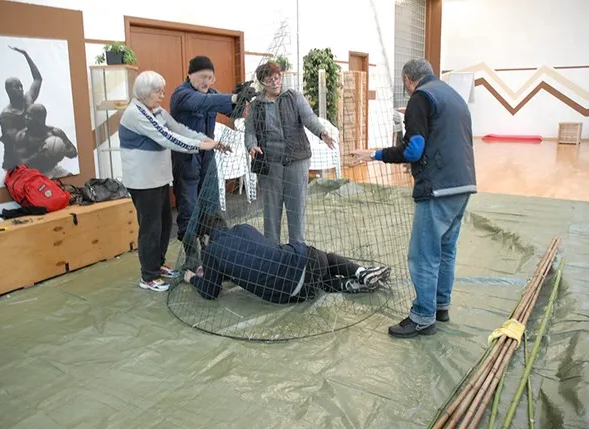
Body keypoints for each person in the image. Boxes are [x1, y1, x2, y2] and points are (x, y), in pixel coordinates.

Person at [351, 58, 476, 339]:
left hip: (438, 187)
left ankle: (422, 317)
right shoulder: (452, 95)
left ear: (408, 80)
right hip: (464, 183)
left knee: (423, 255)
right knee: (446, 249)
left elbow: (413, 150)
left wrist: (374, 154)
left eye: (405, 83)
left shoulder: (421, 98)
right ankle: (440, 306)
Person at [119, 70, 224, 292]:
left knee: (165, 223)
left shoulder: (157, 111)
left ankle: (159, 263)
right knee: (150, 228)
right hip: (143, 182)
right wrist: (200, 146)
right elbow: (167, 137)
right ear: (144, 93)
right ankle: (149, 276)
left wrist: (206, 139)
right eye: (158, 92)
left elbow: (179, 129)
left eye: (162, 91)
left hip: (159, 179)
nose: (162, 96)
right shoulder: (135, 114)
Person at [183, 213, 391, 303]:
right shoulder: (243, 228)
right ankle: (360, 273)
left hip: (292, 293)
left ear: (205, 237)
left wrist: (192, 278)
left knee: (311, 281)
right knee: (325, 260)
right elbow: (253, 257)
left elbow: (210, 292)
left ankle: (348, 284)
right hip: (310, 260)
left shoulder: (211, 251)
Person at [169, 55, 256, 272]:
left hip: (208, 156)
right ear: (190, 75)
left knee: (211, 204)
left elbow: (233, 113)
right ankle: (191, 254)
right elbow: (203, 102)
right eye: (202, 77)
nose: (206, 82)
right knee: (189, 206)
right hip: (186, 157)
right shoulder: (181, 95)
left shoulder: (213, 93)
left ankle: (212, 251)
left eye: (210, 77)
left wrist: (241, 100)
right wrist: (233, 97)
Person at [244, 61, 335, 244]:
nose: (275, 83)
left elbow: (309, 117)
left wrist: (321, 132)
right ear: (262, 83)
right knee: (271, 212)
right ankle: (272, 251)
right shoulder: (256, 105)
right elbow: (250, 131)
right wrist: (251, 145)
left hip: (297, 160)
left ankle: (297, 249)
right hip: (269, 164)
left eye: (277, 78)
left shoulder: (294, 97)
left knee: (296, 209)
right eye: (269, 80)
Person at [0, 46, 43, 170]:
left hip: (32, 157)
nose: (20, 89)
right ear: (8, 90)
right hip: (15, 163)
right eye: (16, 86)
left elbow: (38, 79)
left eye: (21, 86)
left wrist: (26, 55)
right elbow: (17, 142)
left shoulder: (28, 99)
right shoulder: (6, 116)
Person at [14, 103, 78, 178]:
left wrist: (58, 150)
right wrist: (39, 154)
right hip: (33, 174)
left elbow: (73, 152)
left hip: (53, 170)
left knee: (71, 178)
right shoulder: (22, 136)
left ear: (40, 119)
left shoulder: (55, 132)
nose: (26, 117)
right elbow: (20, 166)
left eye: (29, 115)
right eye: (26, 114)